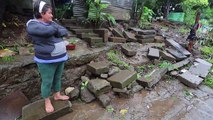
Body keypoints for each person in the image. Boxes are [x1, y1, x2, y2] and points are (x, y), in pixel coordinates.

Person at [26, 0, 69, 113]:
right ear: (42, 13)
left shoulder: (52, 23)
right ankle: (47, 101)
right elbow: (46, 31)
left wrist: (55, 29)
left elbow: (64, 31)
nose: (52, 15)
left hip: (60, 58)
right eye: (49, 13)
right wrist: (55, 29)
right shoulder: (32, 24)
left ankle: (57, 95)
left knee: (57, 78)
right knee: (47, 81)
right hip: (46, 60)